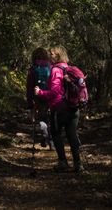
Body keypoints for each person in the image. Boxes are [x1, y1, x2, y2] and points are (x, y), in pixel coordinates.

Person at [34, 45, 84, 173]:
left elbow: (55, 91)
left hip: (59, 108)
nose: (49, 55)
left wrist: (40, 93)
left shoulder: (56, 70)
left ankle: (63, 162)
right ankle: (78, 164)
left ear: (57, 55)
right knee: (72, 134)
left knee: (56, 133)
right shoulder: (69, 68)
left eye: (51, 53)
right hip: (74, 107)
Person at [25, 47, 52, 148]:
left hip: (38, 97)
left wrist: (30, 105)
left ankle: (44, 133)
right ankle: (52, 141)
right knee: (52, 118)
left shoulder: (33, 69)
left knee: (42, 118)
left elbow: (29, 88)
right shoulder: (51, 67)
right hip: (51, 96)